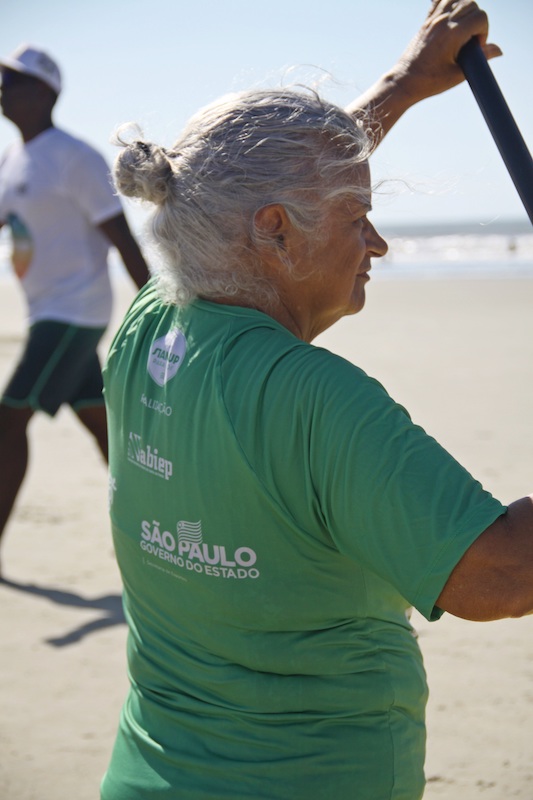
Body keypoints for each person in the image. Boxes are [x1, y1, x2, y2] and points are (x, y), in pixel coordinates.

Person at [101, 3, 530, 799]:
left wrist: (403, 84)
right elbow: (499, 576)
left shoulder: (151, 323)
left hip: (148, 773)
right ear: (274, 232)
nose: (376, 244)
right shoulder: (314, 399)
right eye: (358, 217)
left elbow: (239, 187)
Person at [0, 43, 150, 557]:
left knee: (8, 420)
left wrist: (164, 310)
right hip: (45, 310)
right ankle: (154, 524)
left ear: (45, 92)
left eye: (13, 81)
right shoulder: (12, 159)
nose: (3, 89)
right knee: (101, 424)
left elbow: (123, 239)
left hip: (74, 311)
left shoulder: (75, 157)